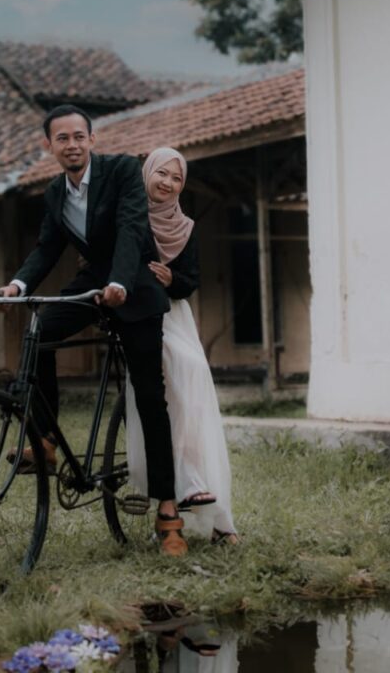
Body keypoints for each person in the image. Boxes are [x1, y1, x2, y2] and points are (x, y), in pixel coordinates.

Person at [0, 106, 187, 556]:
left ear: (92, 140)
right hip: (93, 283)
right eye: (62, 138)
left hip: (135, 286)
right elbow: (47, 247)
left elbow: (131, 228)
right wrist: (18, 284)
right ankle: (45, 440)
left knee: (149, 397)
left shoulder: (121, 171)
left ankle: (168, 513)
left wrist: (120, 281)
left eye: (79, 136)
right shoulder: (54, 193)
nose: (72, 145)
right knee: (40, 331)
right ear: (49, 146)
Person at [125, 146, 238, 544]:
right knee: (173, 385)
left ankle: (202, 493)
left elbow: (191, 280)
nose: (168, 183)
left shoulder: (186, 227)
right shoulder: (129, 216)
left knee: (191, 381)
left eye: (176, 178)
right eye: (162, 173)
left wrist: (172, 280)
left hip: (174, 316)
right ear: (147, 174)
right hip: (138, 314)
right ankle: (183, 485)